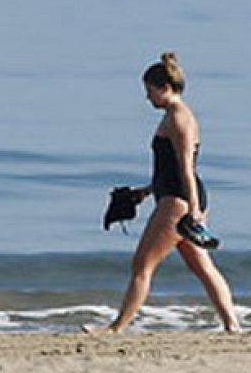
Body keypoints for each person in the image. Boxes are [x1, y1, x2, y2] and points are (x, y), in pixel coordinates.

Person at [88, 52, 241, 334]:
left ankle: (115, 329)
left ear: (164, 88)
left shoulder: (179, 119)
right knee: (202, 267)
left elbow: (185, 167)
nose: (147, 98)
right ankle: (232, 326)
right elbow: (168, 168)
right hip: (176, 196)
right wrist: (146, 191)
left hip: (178, 201)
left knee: (141, 265)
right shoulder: (175, 115)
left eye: (149, 91)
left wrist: (193, 209)